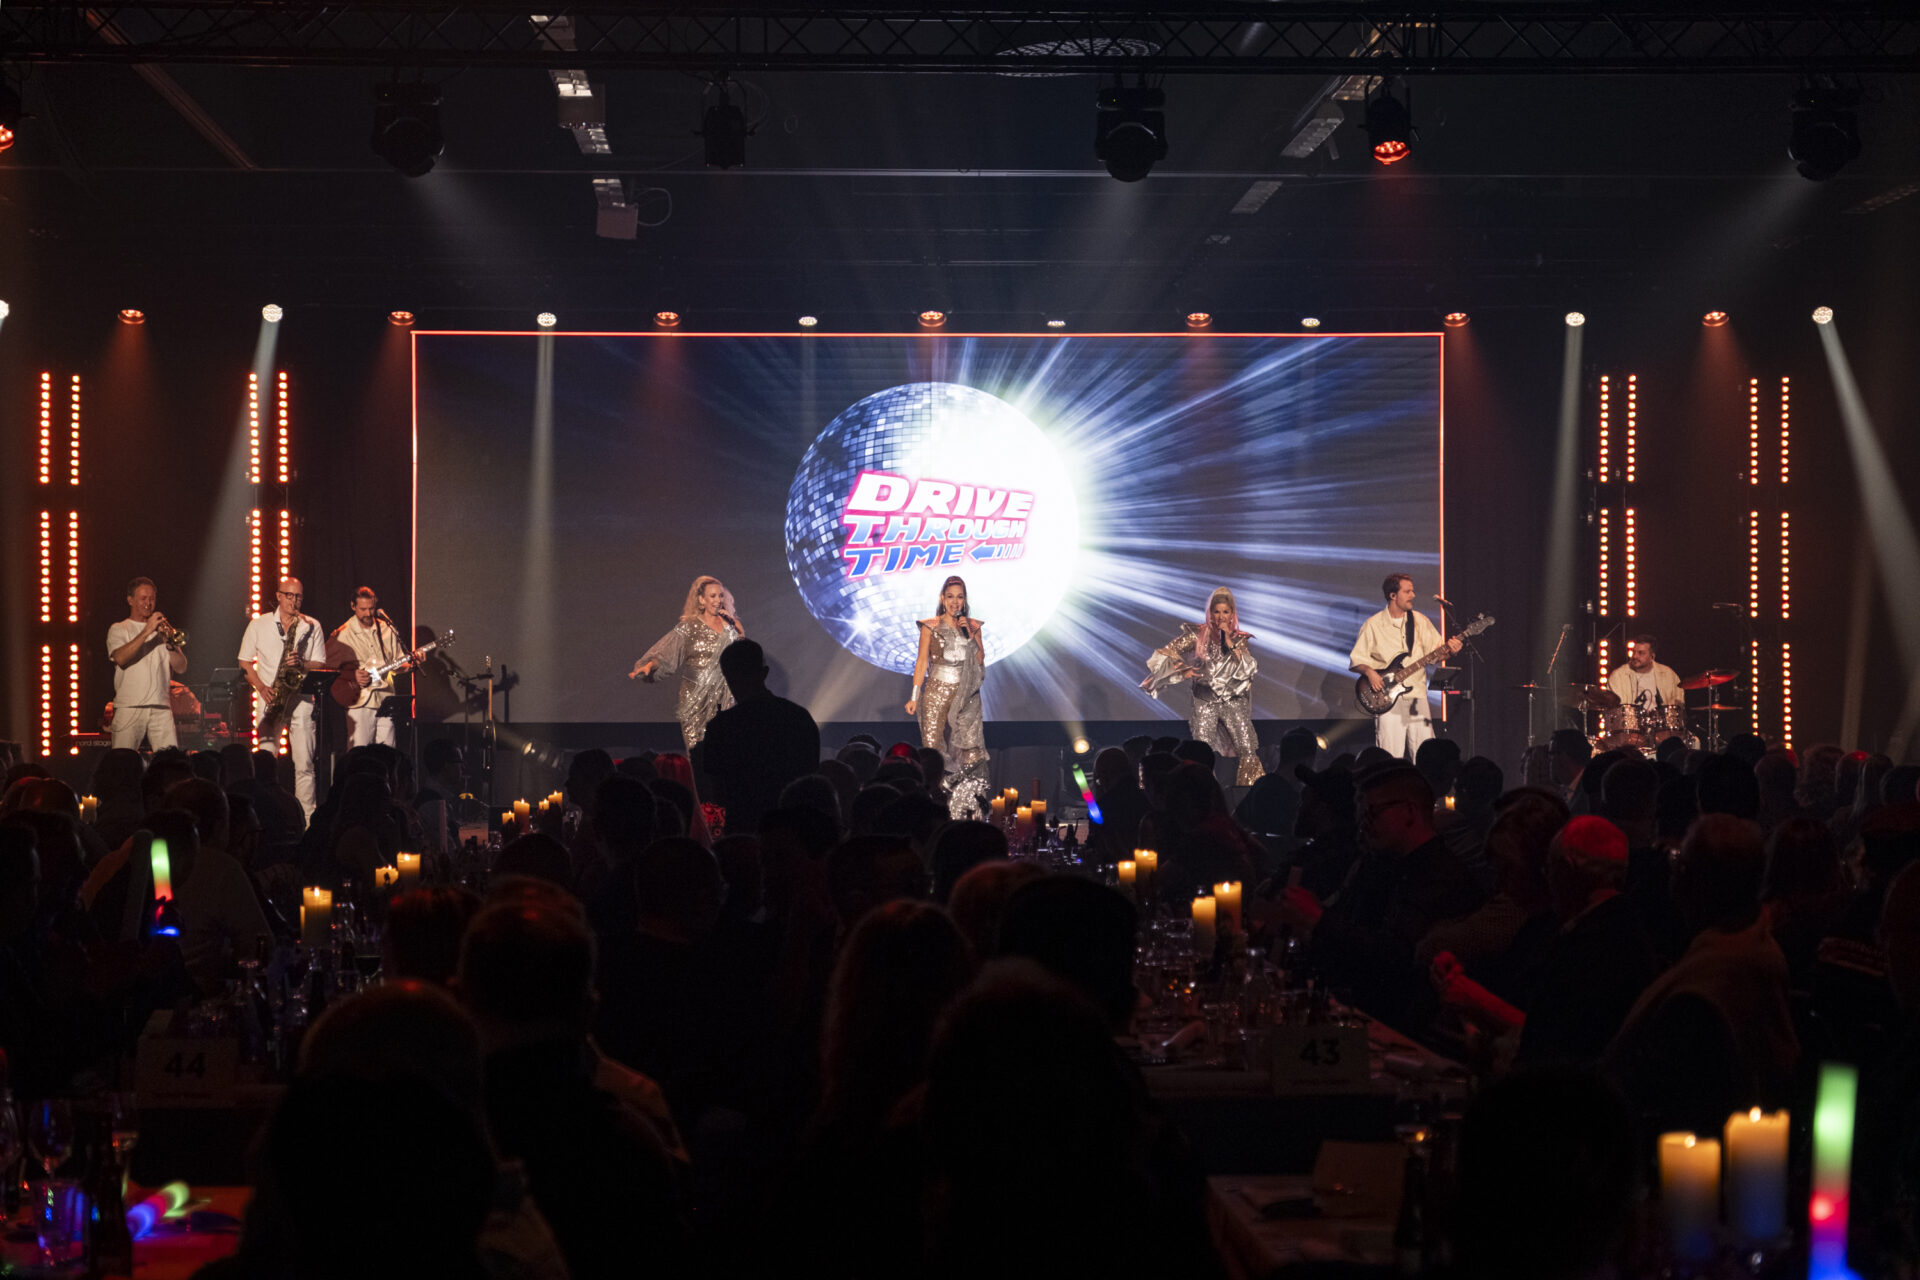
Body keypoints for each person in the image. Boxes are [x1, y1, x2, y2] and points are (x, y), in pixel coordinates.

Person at [1141, 587, 1264, 786]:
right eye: (1217, 611)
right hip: (1205, 699)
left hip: (1233, 701)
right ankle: (1202, 789)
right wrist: (1183, 672)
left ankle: (1249, 792)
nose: (1221, 616)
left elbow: (1248, 667)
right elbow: (1167, 653)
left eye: (1225, 612)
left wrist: (1229, 639)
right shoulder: (1198, 635)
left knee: (1246, 746)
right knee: (1201, 749)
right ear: (1210, 613)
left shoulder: (1239, 638)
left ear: (1232, 614)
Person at [701, 639, 821, 838]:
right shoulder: (798, 717)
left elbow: (717, 789)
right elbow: (810, 776)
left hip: (742, 828)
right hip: (792, 829)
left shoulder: (722, 726)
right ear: (764, 673)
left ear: (726, 677)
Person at [238, 577, 328, 819]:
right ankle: (267, 816)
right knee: (266, 763)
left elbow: (320, 662)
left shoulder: (311, 625)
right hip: (271, 697)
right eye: (289, 595)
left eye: (298, 596)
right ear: (278, 596)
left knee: (305, 765)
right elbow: (244, 662)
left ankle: (307, 819)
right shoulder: (259, 624)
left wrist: (302, 663)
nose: (294, 601)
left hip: (301, 700)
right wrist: (261, 687)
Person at [905, 576, 991, 820]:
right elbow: (922, 661)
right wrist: (914, 696)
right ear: (943, 598)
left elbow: (980, 659)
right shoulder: (929, 625)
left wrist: (971, 634)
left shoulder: (972, 625)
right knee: (932, 749)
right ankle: (934, 808)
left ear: (965, 600)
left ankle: (969, 810)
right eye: (951, 596)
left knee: (971, 750)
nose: (955, 601)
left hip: (966, 693)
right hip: (936, 690)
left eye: (960, 596)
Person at [1349, 573, 1460, 760]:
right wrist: (1370, 672)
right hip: (1387, 699)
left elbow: (1438, 653)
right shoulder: (1373, 625)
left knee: (1426, 754)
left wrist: (1452, 650)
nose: (1413, 595)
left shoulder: (1420, 621)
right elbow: (1356, 659)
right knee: (1389, 754)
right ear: (1393, 595)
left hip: (1417, 696)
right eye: (1407, 591)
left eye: (1413, 591)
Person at [629, 574, 742, 750]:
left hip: (724, 696)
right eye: (712, 596)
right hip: (695, 698)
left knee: (724, 750)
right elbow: (666, 653)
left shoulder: (732, 625)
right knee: (697, 750)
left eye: (720, 595)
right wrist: (650, 666)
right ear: (701, 600)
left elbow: (744, 652)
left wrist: (732, 627)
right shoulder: (689, 627)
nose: (718, 600)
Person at [106, 577, 187, 751]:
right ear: (130, 600)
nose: (148, 603)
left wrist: (170, 643)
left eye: (152, 599)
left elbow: (182, 667)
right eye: (143, 598)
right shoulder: (119, 628)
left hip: (161, 706)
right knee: (124, 762)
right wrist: (147, 631)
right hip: (130, 706)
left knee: (170, 763)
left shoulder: (162, 632)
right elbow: (120, 658)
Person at [330, 586, 405, 747]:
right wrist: (352, 675)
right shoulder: (343, 634)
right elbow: (325, 666)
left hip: (386, 698)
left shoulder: (386, 629)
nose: (368, 613)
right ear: (353, 606)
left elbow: (399, 664)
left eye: (371, 608)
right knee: (360, 753)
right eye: (363, 609)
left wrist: (412, 663)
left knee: (388, 752)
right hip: (359, 700)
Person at [1605, 633, 1685, 722]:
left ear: (1652, 657)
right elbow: (1614, 711)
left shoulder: (1669, 675)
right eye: (1633, 652)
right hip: (1631, 729)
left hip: (1661, 728)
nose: (1635, 656)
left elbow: (1678, 706)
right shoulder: (1618, 676)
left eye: (1641, 653)